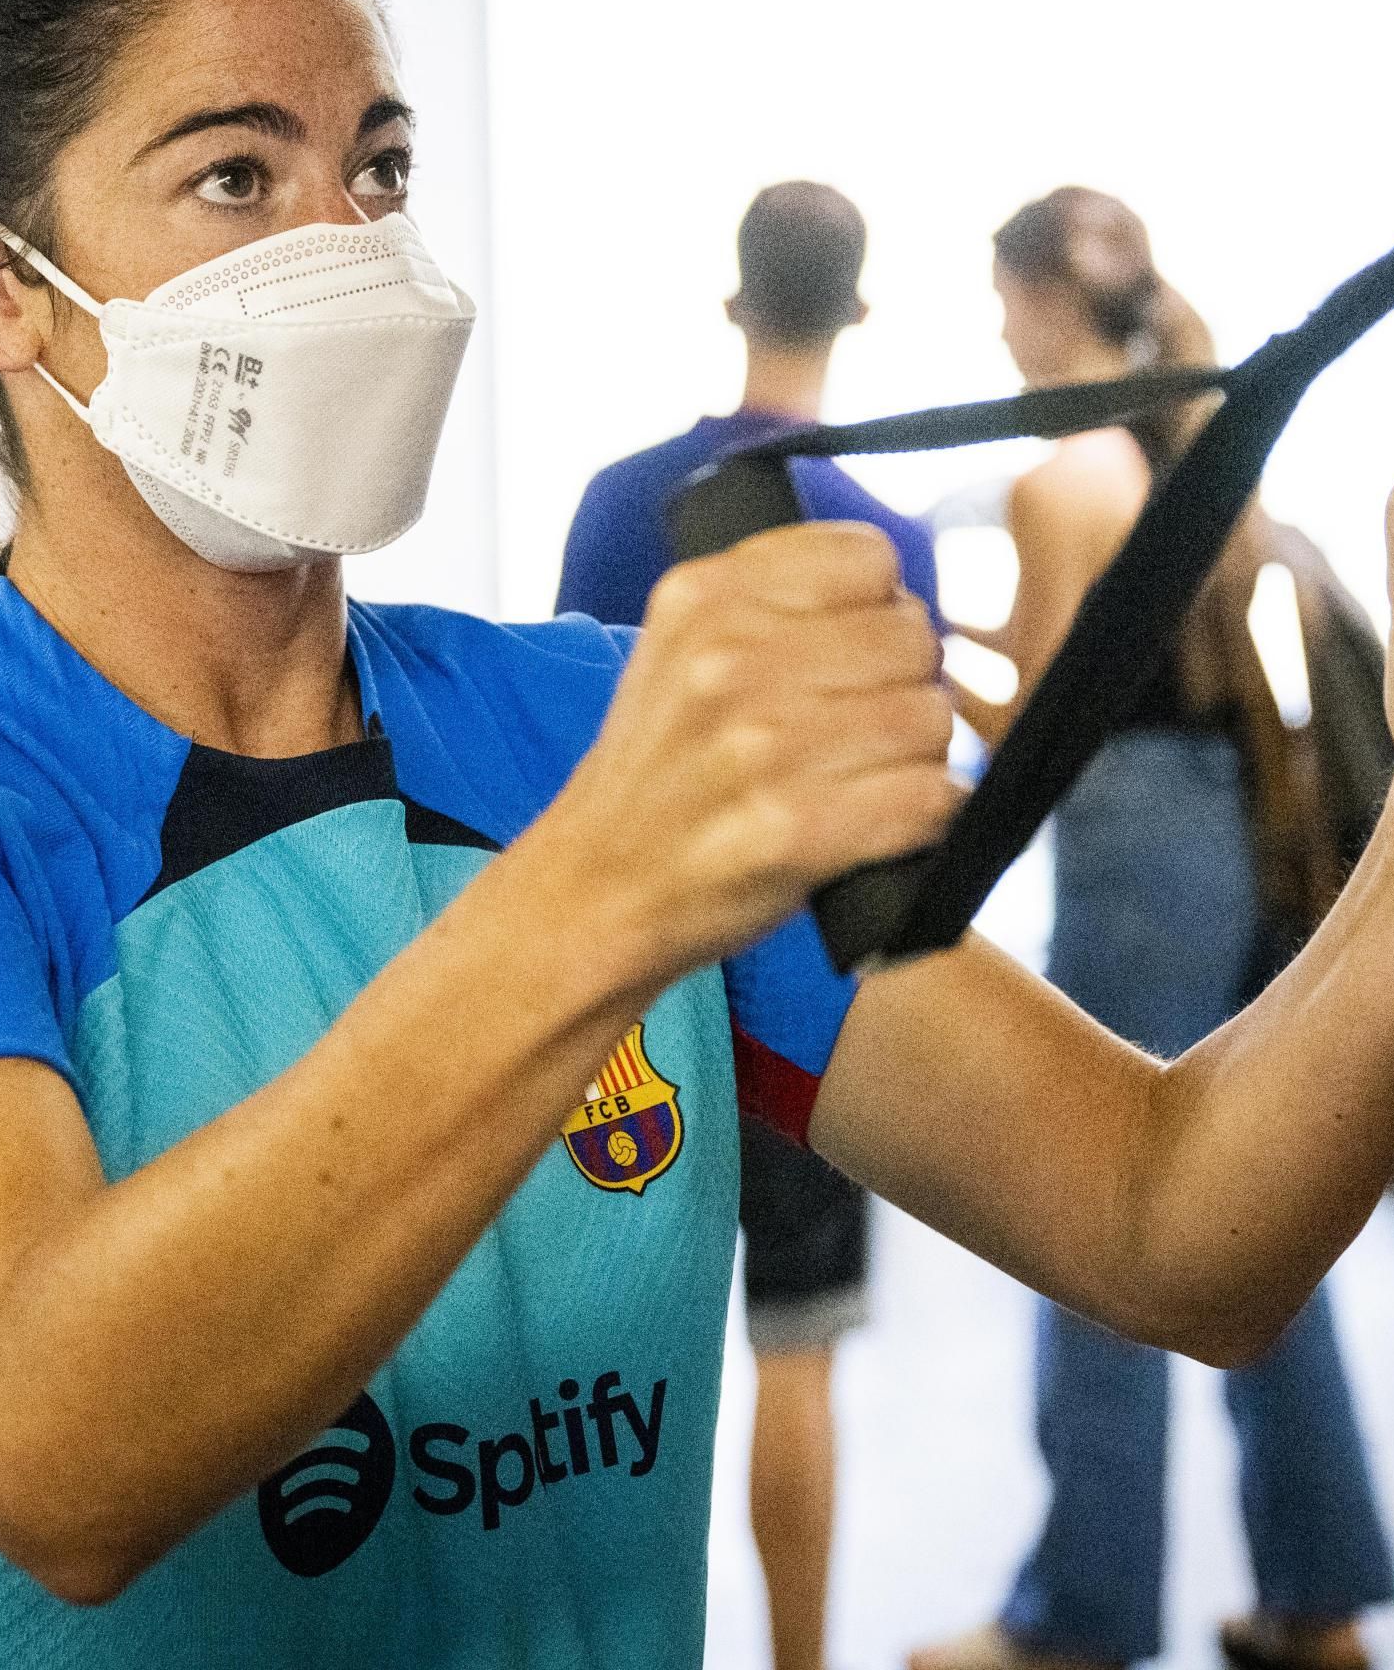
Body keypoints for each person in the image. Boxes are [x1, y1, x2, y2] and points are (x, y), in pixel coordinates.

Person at [0, 0, 1394, 1665]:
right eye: (233, 176)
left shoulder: (584, 718)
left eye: (377, 167)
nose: (344, 245)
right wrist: (606, 893)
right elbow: (60, 1452)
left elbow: (1176, 1225)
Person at [916, 189, 1393, 1670]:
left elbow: (1045, 725)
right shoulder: (1182, 460)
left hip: (1133, 851)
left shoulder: (1062, 476)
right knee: (1259, 1215)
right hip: (1235, 834)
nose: (997, 330)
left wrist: (917, 663)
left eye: (1002, 299)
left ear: (1047, 304)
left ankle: (1082, 1614)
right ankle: (1317, 1596)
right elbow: (1108, 665)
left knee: (1095, 1206)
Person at [554, 177, 929, 1670]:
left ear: (731, 298)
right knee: (797, 1360)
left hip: (629, 993)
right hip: (801, 995)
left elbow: (564, 761)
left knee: (596, 1382)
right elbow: (895, 809)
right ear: (857, 310)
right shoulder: (886, 532)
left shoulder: (619, 502)